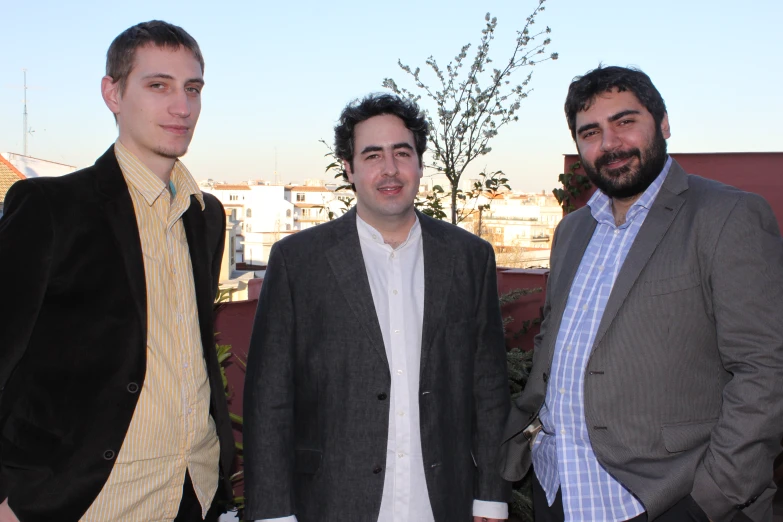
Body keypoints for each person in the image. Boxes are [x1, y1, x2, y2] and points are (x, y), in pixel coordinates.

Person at [499, 65, 783, 521]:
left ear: (663, 123)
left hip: (663, 498)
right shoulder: (572, 231)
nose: (608, 144)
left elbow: (765, 370)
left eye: (625, 122)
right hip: (558, 490)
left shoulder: (728, 217)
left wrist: (710, 499)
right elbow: (554, 345)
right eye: (590, 131)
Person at [0, 20, 234, 522]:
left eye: (192, 88)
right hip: (89, 499)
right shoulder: (51, 207)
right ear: (113, 93)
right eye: (158, 86)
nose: (182, 106)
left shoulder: (206, 215)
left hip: (194, 487)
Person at [243, 93, 511, 522]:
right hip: (332, 502)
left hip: (443, 502)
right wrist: (273, 513)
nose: (389, 169)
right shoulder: (299, 261)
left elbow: (490, 387)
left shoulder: (469, 258)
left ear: (420, 164)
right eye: (372, 155)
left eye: (402, 153)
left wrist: (491, 497)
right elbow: (270, 396)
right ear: (348, 168)